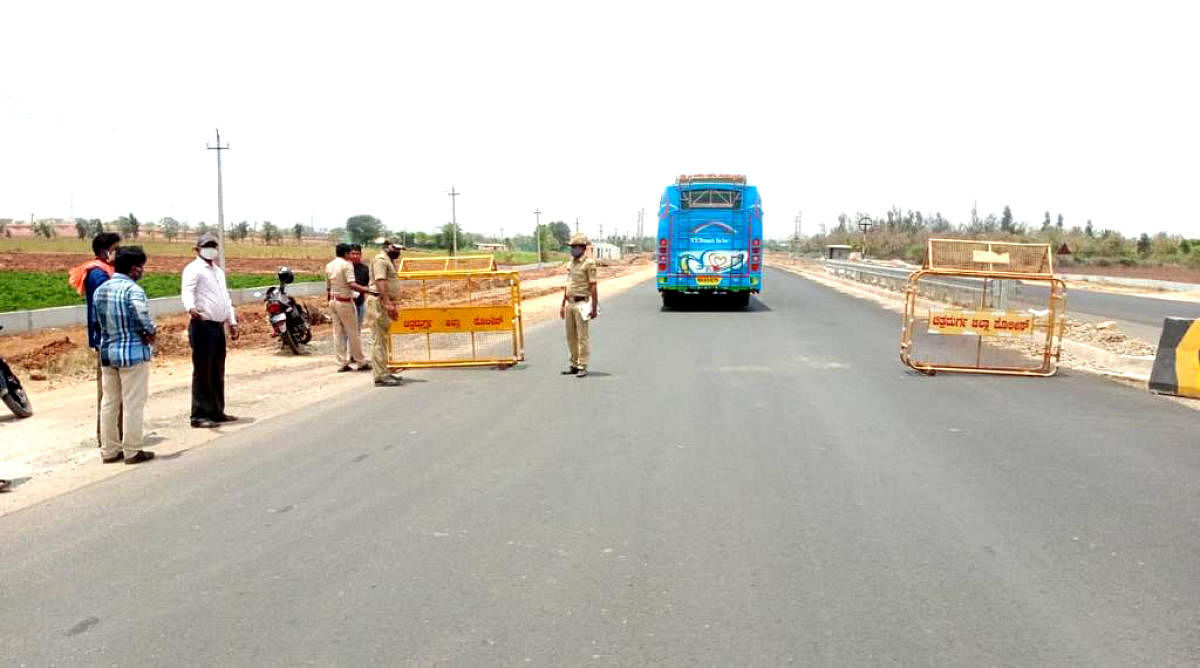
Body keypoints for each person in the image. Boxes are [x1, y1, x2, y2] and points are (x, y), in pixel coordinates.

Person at [93, 247, 156, 464]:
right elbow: (142, 317)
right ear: (134, 268)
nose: (142, 271)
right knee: (133, 403)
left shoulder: (100, 290)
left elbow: (96, 323)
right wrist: (150, 333)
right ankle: (132, 450)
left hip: (108, 353)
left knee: (109, 403)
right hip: (132, 353)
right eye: (141, 267)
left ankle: (109, 450)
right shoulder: (133, 290)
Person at [181, 233, 240, 429]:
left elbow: (225, 298)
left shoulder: (218, 271)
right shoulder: (194, 269)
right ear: (197, 249)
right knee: (203, 371)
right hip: (202, 325)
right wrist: (190, 308)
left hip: (217, 326)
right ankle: (199, 414)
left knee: (217, 369)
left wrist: (232, 321)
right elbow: (187, 292)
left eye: (214, 245)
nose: (211, 249)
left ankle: (216, 410)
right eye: (207, 246)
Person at [70, 232, 121, 445]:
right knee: (109, 393)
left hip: (113, 338)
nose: (120, 252)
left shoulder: (108, 271)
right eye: (117, 248)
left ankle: (117, 434)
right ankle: (108, 438)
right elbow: (105, 306)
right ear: (105, 251)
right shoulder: (98, 274)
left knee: (117, 392)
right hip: (106, 339)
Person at [325, 243, 369, 372]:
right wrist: (368, 290)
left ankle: (341, 362)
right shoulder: (346, 265)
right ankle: (360, 362)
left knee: (337, 333)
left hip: (333, 301)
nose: (352, 255)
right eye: (350, 253)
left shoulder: (329, 265)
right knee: (353, 333)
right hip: (345, 302)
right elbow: (352, 284)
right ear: (346, 254)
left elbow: (328, 287)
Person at [560, 233, 599, 377]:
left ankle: (582, 364)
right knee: (571, 337)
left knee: (582, 337)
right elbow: (567, 284)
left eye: (573, 247)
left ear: (581, 248)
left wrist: (594, 307)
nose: (571, 250)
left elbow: (593, 286)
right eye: (571, 247)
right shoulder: (571, 263)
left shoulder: (589, 263)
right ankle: (574, 364)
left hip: (582, 303)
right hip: (569, 303)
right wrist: (562, 304)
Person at [367, 238, 405, 387]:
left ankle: (384, 371)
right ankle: (380, 375)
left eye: (399, 249)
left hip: (384, 302)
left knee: (383, 339)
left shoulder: (388, 260)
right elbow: (380, 281)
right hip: (379, 302)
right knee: (378, 340)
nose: (398, 252)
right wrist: (387, 302)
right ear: (387, 246)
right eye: (396, 249)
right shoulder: (381, 260)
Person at [340, 244, 370, 352]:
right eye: (353, 253)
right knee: (345, 331)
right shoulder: (344, 267)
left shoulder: (365, 269)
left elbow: (369, 284)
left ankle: (354, 354)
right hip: (346, 304)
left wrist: (363, 289)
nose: (355, 256)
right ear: (348, 254)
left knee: (356, 331)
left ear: (361, 255)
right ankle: (344, 355)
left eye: (358, 253)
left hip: (360, 304)